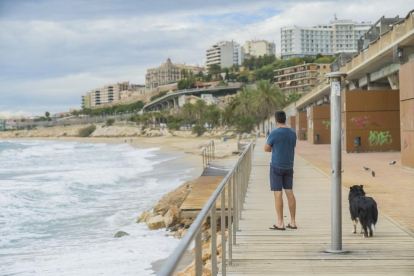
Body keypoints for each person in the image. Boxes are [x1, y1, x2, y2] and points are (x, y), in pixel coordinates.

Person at [264, 111, 297, 231]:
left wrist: (273, 148)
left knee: (278, 193)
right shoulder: (293, 133)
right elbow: (291, 146)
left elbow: (266, 148)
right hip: (289, 166)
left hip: (276, 167)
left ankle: (280, 223)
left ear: (276, 120)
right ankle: (293, 222)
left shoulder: (274, 133)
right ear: (285, 119)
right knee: (290, 193)